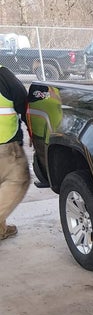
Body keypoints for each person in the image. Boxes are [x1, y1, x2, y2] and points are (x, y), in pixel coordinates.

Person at [0, 64, 30, 241]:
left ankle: (1, 230)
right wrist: (32, 129)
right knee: (18, 180)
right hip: (5, 144)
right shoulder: (3, 75)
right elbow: (23, 101)